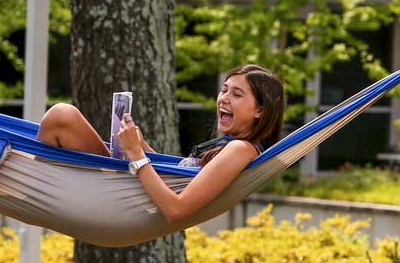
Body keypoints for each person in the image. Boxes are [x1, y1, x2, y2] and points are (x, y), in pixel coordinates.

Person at [35, 65, 286, 226]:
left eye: (237, 94)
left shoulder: (240, 149)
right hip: (123, 194)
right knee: (62, 117)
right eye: (224, 90)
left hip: (123, 204)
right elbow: (175, 178)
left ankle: (33, 188)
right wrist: (142, 147)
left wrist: (135, 153)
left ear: (259, 112)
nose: (224, 98)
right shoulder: (230, 146)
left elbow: (177, 209)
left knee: (62, 116)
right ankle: (35, 188)